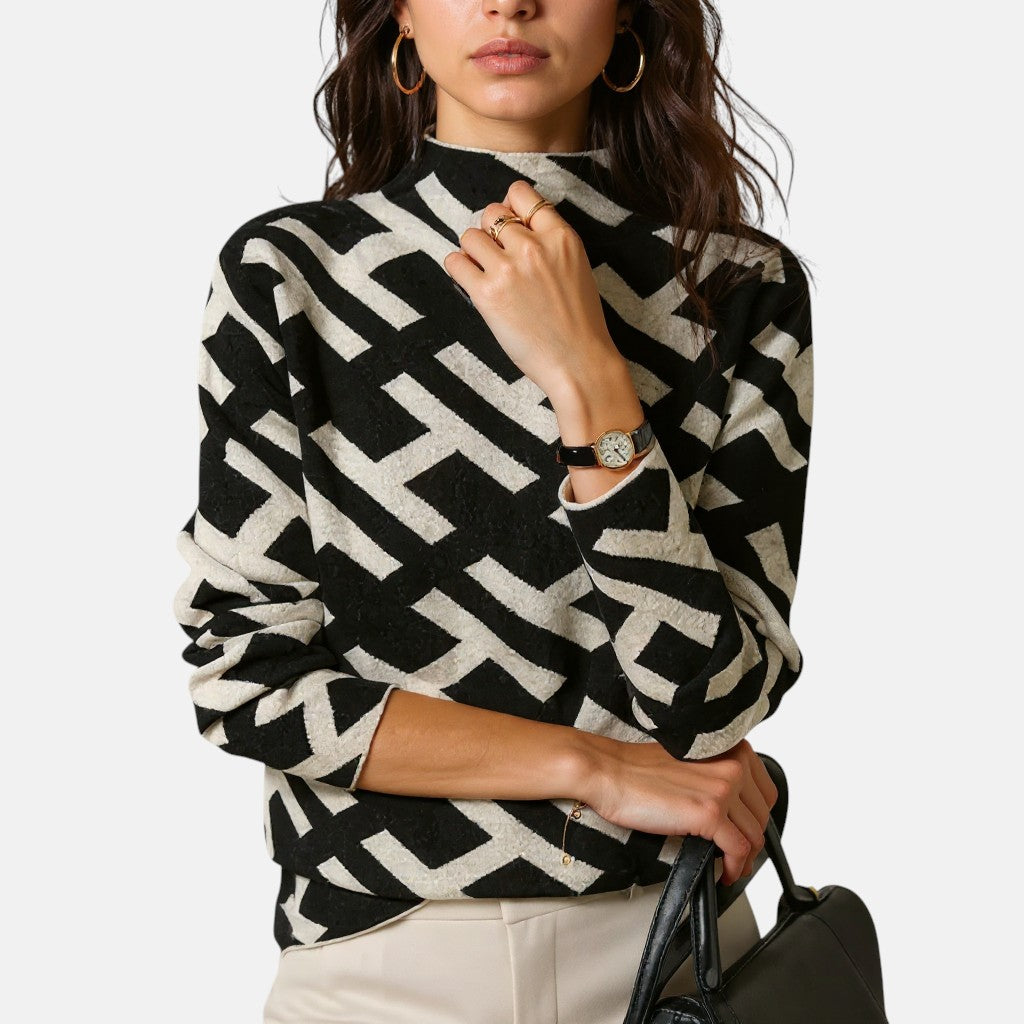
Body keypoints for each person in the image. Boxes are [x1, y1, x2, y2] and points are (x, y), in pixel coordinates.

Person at [172, 2, 815, 1021]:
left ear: (628, 15)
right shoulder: (288, 277)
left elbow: (709, 701)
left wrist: (588, 373)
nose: (510, 2)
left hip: (676, 957)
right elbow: (249, 679)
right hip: (380, 962)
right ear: (400, 18)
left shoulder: (736, 286)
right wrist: (588, 767)